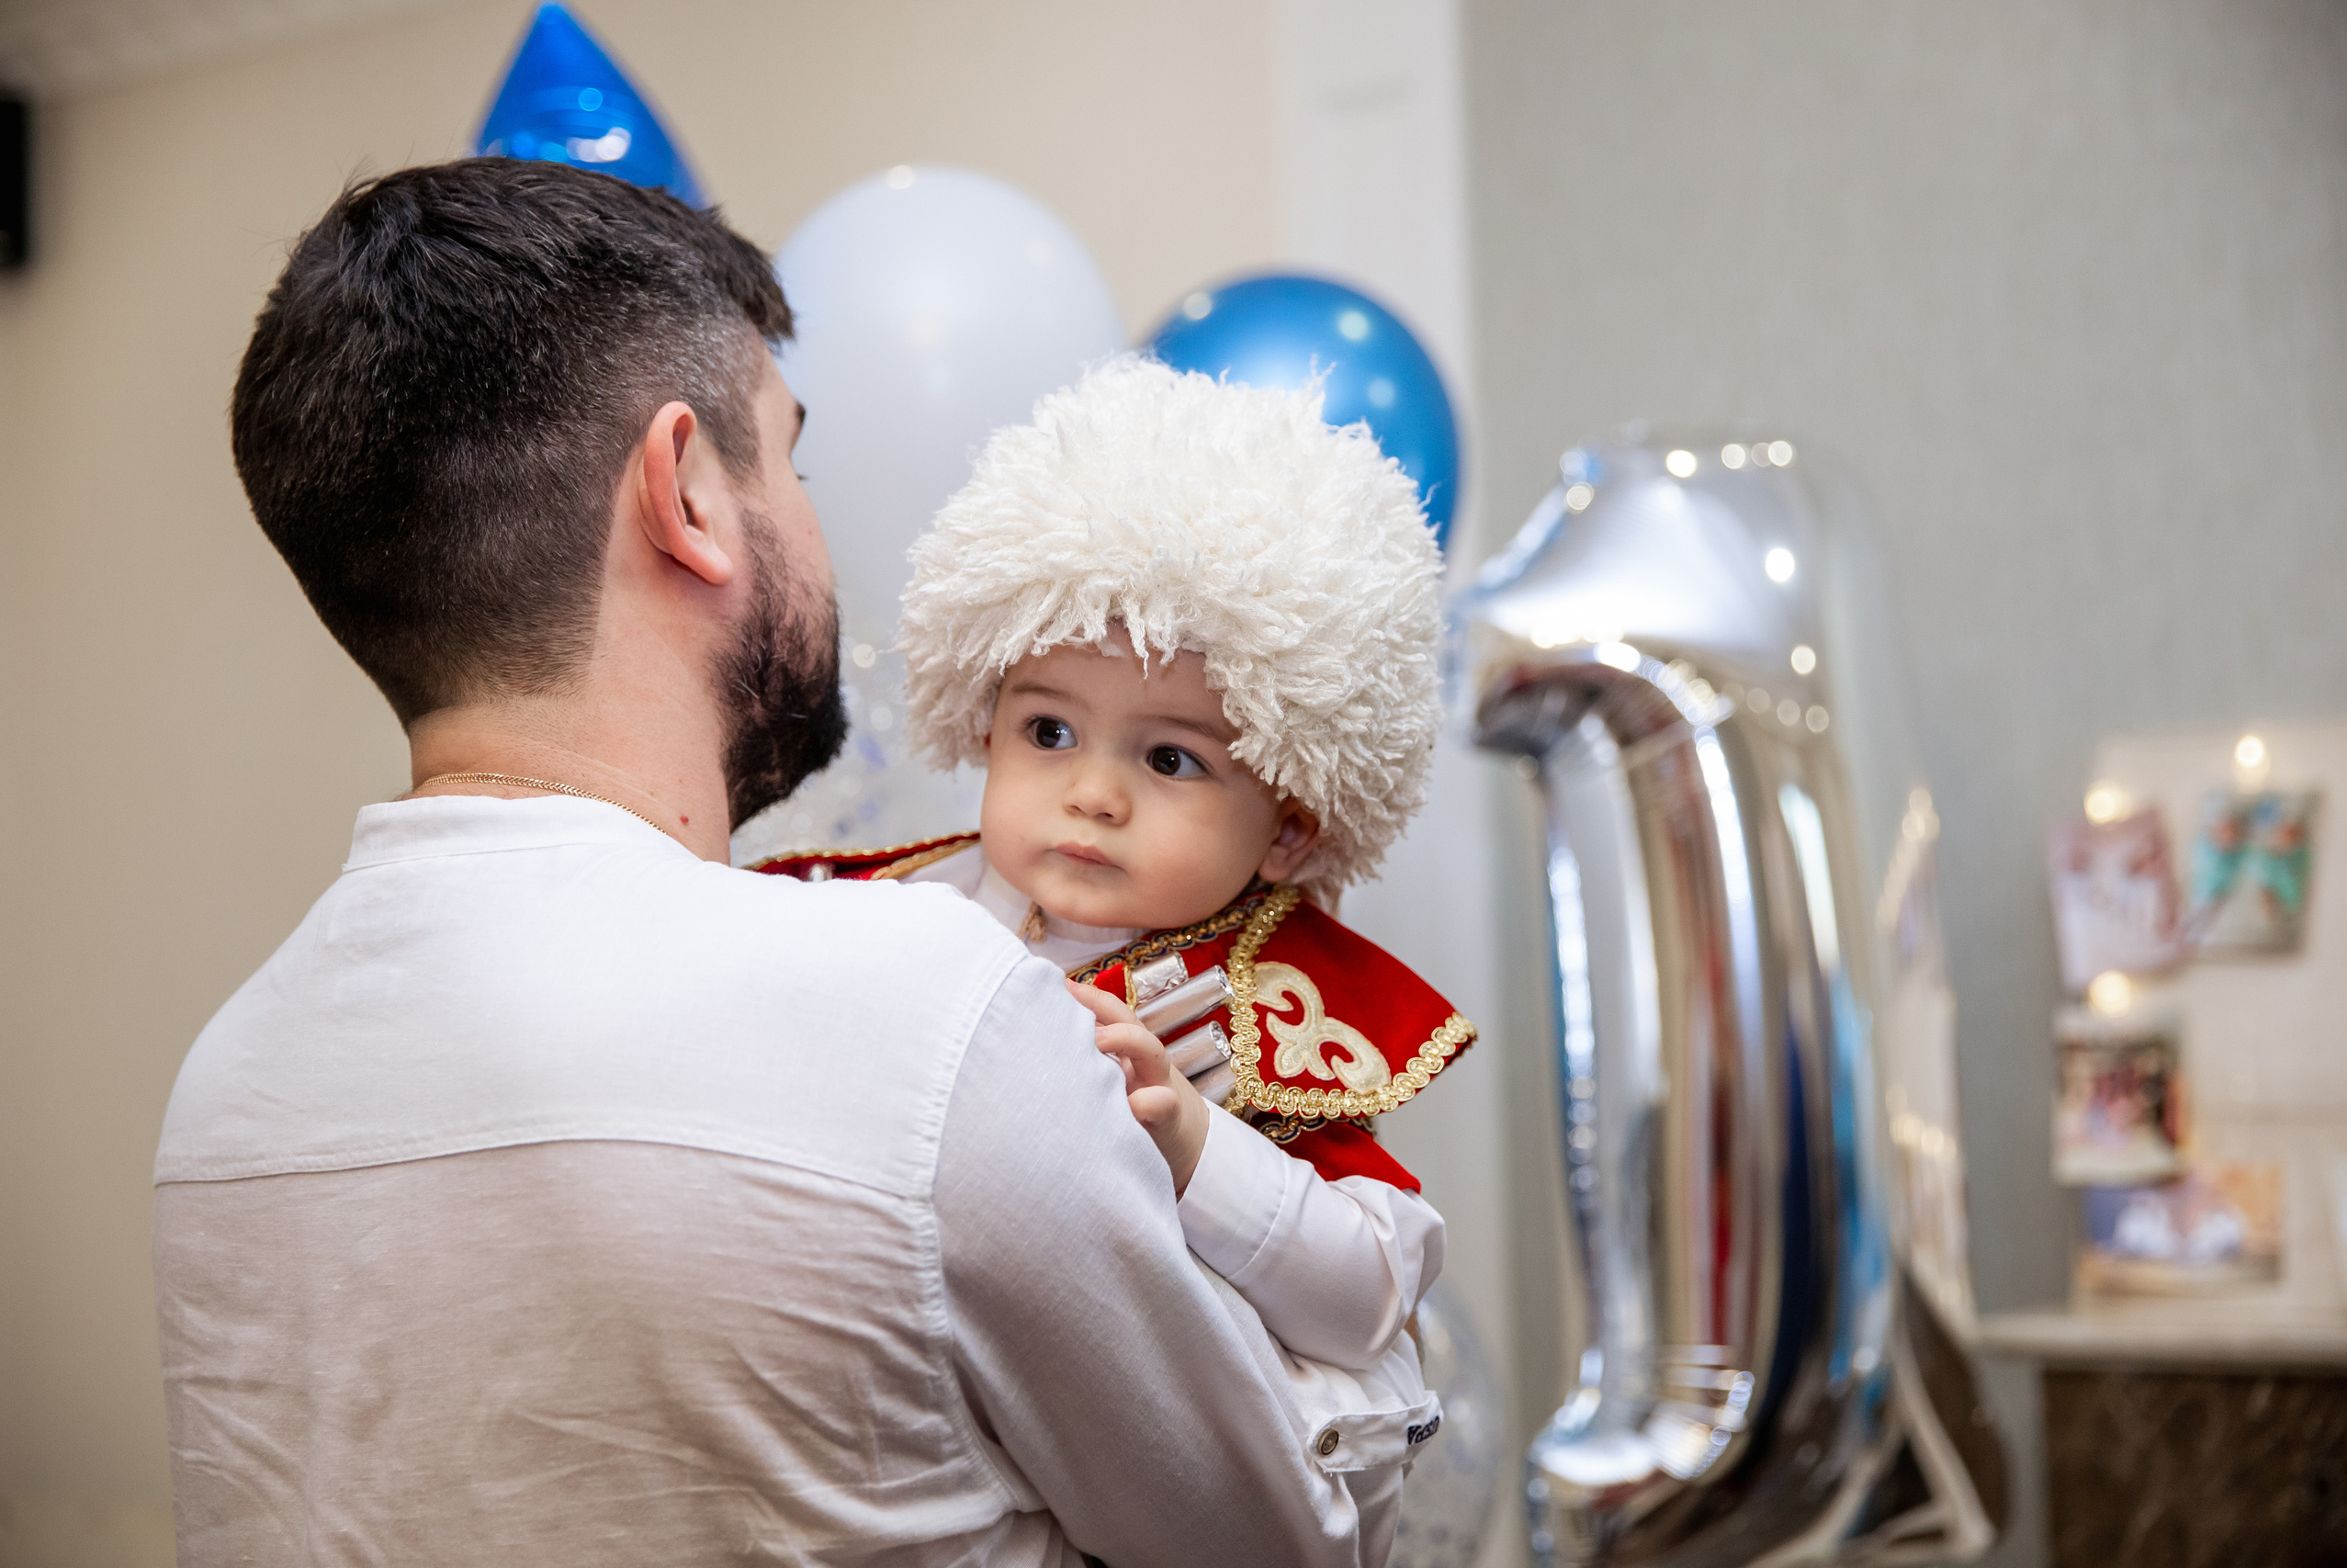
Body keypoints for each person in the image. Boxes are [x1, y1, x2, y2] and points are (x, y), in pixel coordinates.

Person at [152, 158, 1415, 1568]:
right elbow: (1287, 1537)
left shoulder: (220, 1091)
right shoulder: (935, 1012)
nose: (820, 521)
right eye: (792, 459)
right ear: (687, 491)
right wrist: (1363, 1348)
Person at [753, 359, 1472, 1381]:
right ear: (985, 724)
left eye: (1170, 759)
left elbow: (1374, 1303)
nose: (1093, 793)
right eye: (1049, 731)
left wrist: (1198, 1151)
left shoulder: (1270, 1002)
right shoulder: (868, 909)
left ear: (1288, 829)